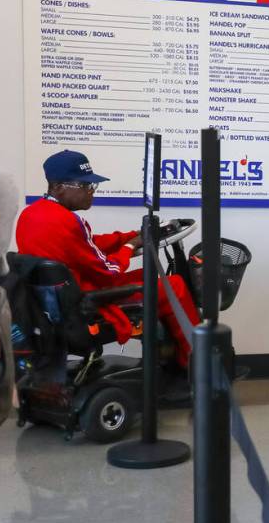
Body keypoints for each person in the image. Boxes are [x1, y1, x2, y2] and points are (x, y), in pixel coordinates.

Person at [15, 150, 200, 368]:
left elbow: (87, 244)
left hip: (61, 301)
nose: (91, 192)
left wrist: (131, 236)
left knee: (146, 276)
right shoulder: (68, 221)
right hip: (87, 301)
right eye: (85, 186)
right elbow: (109, 271)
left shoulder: (31, 215)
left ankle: (169, 356)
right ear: (58, 187)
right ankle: (195, 363)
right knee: (174, 285)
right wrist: (131, 246)